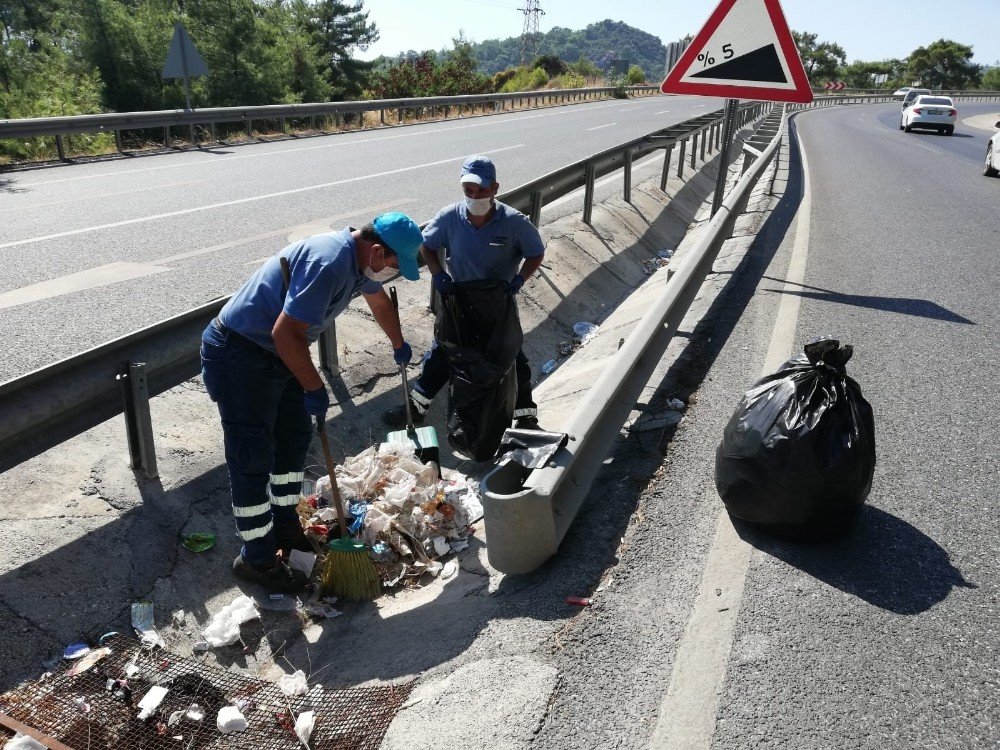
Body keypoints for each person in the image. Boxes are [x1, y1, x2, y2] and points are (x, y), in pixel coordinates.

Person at [201, 212, 423, 593]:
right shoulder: (330, 263)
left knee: (293, 439)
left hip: (278, 354)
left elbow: (380, 303)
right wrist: (314, 387)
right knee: (252, 456)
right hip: (241, 353)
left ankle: (285, 524)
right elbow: (285, 333)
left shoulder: (359, 265)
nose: (391, 273)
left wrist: (399, 343)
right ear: (376, 251)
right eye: (393, 265)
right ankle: (256, 558)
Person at [382, 155, 545, 431]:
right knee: (443, 354)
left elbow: (536, 253)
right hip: (460, 300)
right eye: (469, 190)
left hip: (498, 304)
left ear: (495, 188)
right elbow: (427, 246)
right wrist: (438, 273)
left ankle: (525, 416)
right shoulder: (449, 217)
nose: (475, 196)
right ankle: (416, 409)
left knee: (511, 356)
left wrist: (519, 279)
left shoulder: (514, 222)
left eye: (481, 190)